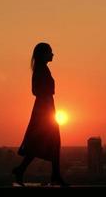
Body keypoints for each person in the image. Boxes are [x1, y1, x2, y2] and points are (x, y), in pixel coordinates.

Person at [12, 42, 69, 187]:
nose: (52, 54)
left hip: (46, 109)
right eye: (50, 51)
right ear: (43, 54)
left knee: (42, 143)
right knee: (51, 142)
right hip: (44, 110)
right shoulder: (41, 70)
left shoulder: (42, 69)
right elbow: (36, 90)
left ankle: (22, 170)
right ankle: (54, 175)